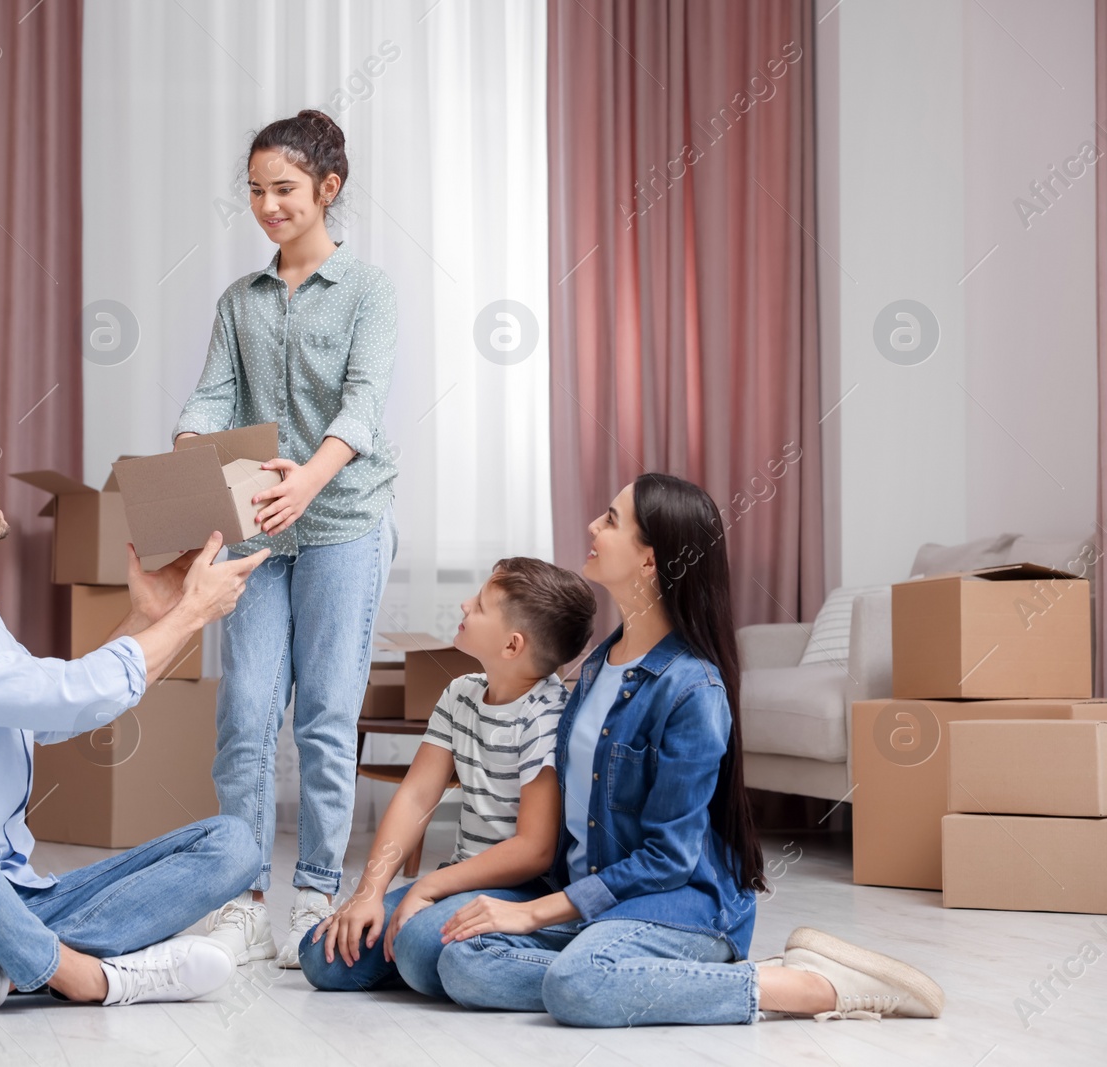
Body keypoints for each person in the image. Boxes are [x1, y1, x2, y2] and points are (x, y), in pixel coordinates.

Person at [434, 474, 945, 1025]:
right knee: (460, 961)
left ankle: (806, 987)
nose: (593, 526)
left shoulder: (692, 690)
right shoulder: (591, 671)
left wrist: (533, 913)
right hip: (597, 895)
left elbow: (668, 859)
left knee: (577, 985)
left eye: (610, 520)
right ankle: (625, 972)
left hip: (680, 903)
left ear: (650, 562)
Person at [0, 418, 270, 1018]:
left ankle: (1, 973)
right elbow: (64, 696)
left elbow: (50, 714)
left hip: (14, 899)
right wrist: (192, 616)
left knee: (233, 844)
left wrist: (149, 615)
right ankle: (86, 976)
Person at [174, 109, 399, 967]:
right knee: (244, 713)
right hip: (258, 528)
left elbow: (364, 404)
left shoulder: (370, 291)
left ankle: (313, 888)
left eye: (284, 191)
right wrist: (195, 447)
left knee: (327, 713)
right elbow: (211, 396)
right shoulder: (241, 301)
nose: (268, 206)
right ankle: (240, 895)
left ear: (326, 191)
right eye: (256, 192)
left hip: (343, 520)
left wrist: (311, 476)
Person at [300, 558, 596, 997]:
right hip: (462, 879)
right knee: (320, 955)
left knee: (418, 948)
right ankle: (438, 954)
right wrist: (369, 890)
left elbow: (534, 850)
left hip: (522, 891)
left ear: (512, 646)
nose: (463, 604)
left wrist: (429, 887)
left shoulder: (546, 716)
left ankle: (523, 956)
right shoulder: (460, 694)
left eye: (478, 605)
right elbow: (418, 797)